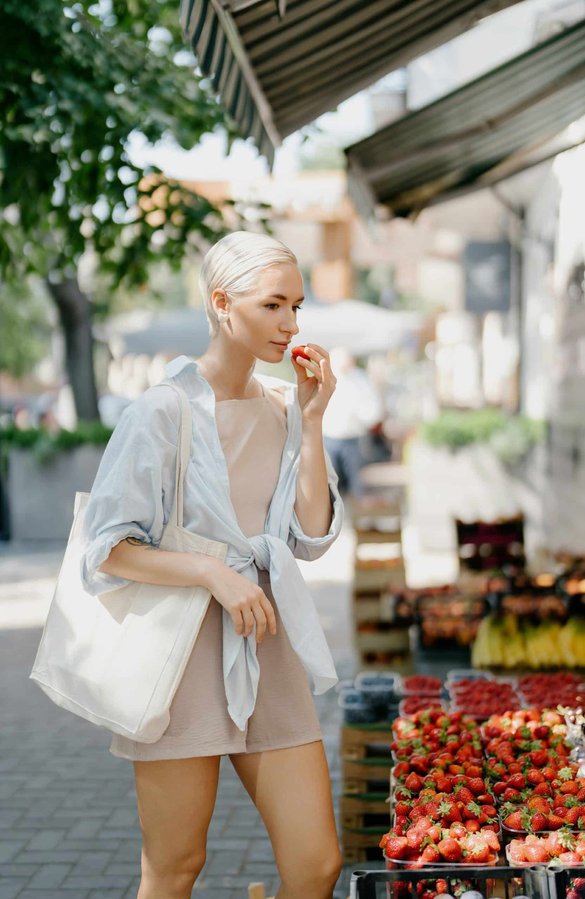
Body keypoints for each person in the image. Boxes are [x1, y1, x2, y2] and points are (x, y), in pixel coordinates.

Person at [79, 232, 345, 899]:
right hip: (179, 660)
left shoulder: (284, 408)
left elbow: (312, 536)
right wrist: (212, 572)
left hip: (267, 645)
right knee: (174, 868)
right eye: (273, 305)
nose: (290, 324)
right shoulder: (161, 411)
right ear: (223, 304)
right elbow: (105, 548)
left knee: (316, 865)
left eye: (296, 306)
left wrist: (313, 420)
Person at [322, 347, 384, 498]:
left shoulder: (360, 379)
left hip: (352, 438)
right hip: (329, 437)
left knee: (355, 482)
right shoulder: (325, 377)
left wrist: (362, 417)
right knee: (330, 482)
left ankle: (356, 507)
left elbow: (372, 408)